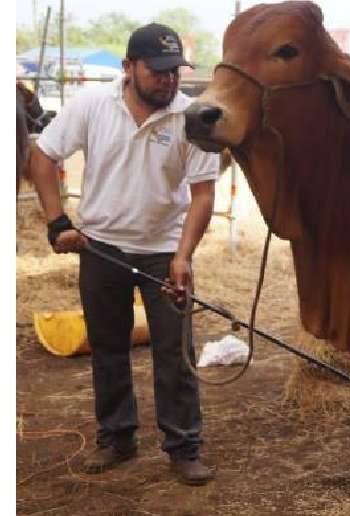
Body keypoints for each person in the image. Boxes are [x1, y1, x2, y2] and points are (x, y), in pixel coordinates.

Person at [28, 23, 220, 485]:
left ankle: (183, 446)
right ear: (128, 67)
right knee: (108, 349)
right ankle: (117, 437)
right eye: (157, 71)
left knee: (175, 354)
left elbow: (203, 196)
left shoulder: (190, 117)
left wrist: (183, 257)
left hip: (163, 253)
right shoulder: (92, 105)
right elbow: (42, 156)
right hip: (99, 248)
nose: (168, 81)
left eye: (175, 72)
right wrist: (58, 222)